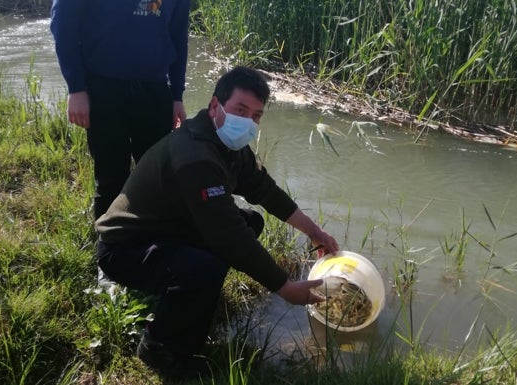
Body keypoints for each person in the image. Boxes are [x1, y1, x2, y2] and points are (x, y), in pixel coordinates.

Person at [95, 66, 340, 381]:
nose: (248, 122)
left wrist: (314, 231)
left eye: (256, 115)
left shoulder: (229, 146)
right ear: (215, 106)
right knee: (207, 266)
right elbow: (229, 238)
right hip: (124, 249)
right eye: (240, 110)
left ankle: (186, 295)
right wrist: (286, 288)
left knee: (250, 222)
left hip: (167, 228)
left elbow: (266, 191)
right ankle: (160, 346)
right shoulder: (196, 156)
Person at [50, 0, 190, 220]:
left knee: (158, 177)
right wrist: (76, 88)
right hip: (103, 88)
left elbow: (179, 36)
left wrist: (176, 94)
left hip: (155, 90)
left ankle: (153, 245)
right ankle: (109, 248)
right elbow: (63, 23)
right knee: (111, 178)